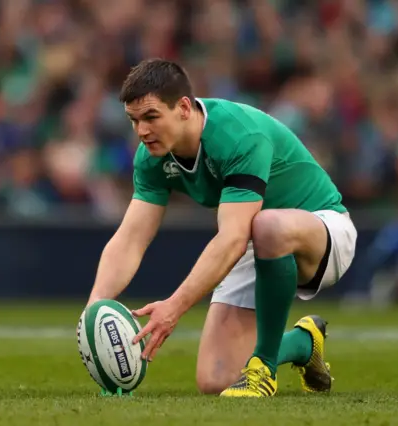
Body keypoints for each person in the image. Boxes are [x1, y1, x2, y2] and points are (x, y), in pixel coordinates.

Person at [86, 59, 357, 397]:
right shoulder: (151, 156)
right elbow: (131, 239)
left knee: (267, 224)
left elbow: (231, 238)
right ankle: (304, 343)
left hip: (324, 231)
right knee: (216, 380)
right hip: (255, 240)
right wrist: (95, 306)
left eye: (151, 117)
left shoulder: (238, 135)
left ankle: (265, 368)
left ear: (184, 108)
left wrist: (174, 307)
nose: (142, 131)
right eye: (134, 120)